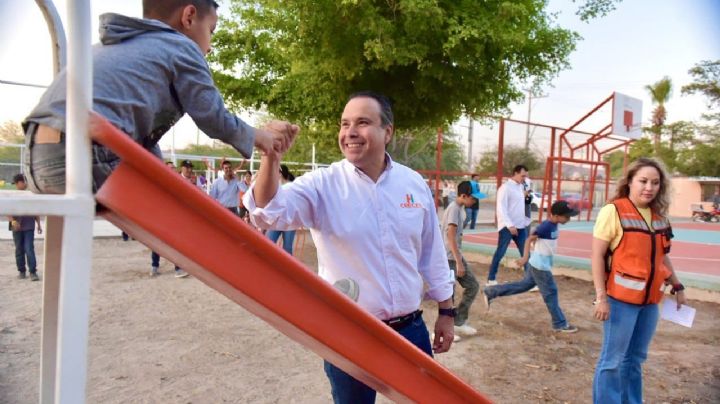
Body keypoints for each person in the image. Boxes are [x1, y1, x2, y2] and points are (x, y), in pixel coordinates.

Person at [245, 91, 455, 404]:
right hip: (348, 332)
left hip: (410, 330)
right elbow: (266, 213)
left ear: (388, 131)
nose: (350, 132)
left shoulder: (413, 185)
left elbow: (432, 254)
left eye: (362, 122)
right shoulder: (321, 185)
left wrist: (447, 311)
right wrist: (271, 157)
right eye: (344, 124)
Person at [21, 0, 296, 194]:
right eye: (210, 31)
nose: (209, 47)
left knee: (164, 181)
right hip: (81, 158)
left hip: (34, 157)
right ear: (189, 17)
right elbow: (214, 117)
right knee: (179, 206)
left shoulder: (116, 46)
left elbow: (140, 144)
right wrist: (262, 138)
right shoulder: (181, 47)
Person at [591, 158, 686, 404]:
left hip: (650, 303)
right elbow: (597, 256)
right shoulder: (614, 210)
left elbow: (662, 256)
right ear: (630, 181)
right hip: (620, 301)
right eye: (643, 181)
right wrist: (601, 298)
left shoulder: (659, 217)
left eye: (655, 182)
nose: (649, 187)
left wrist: (677, 285)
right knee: (611, 361)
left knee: (635, 359)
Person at [482, 200, 580, 333]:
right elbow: (529, 239)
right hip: (540, 266)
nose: (569, 219)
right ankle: (560, 323)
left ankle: (491, 291)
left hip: (539, 264)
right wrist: (524, 258)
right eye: (566, 216)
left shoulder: (554, 224)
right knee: (551, 293)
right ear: (556, 215)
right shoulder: (546, 226)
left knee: (524, 285)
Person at [441, 181, 482, 337]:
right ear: (463, 196)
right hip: (448, 257)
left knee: (472, 286)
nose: (475, 201)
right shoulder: (453, 210)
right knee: (448, 294)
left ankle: (458, 321)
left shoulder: (460, 209)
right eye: (473, 198)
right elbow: (450, 236)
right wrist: (459, 262)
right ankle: (443, 330)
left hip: (455, 255)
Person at [486, 165, 532, 286]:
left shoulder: (521, 187)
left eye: (526, 176)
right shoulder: (505, 188)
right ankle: (491, 279)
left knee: (526, 253)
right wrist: (510, 225)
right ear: (515, 173)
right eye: (522, 175)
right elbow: (501, 208)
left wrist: (526, 196)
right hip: (507, 227)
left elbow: (520, 205)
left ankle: (530, 280)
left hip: (520, 226)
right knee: (500, 252)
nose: (524, 178)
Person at [8, 174, 43, 281]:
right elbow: (8, 211)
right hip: (16, 226)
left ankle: (33, 272)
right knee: (19, 249)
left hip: (28, 226)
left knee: (29, 249)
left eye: (19, 183)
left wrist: (38, 224)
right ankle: (21, 271)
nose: (18, 185)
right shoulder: (12, 195)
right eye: (18, 183)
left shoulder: (31, 195)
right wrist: (13, 221)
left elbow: (36, 210)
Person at [266, 165, 297, 254]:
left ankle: (287, 267)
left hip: (290, 222)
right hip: (276, 220)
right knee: (269, 242)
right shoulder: (274, 186)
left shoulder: (292, 186)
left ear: (280, 173)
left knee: (287, 248)